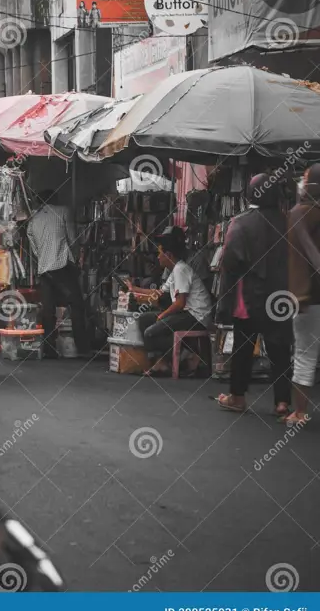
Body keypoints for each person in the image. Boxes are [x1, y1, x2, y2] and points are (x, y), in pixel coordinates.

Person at [215, 174, 292, 416]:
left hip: (248, 297)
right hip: (280, 297)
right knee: (280, 348)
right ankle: (282, 402)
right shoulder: (287, 222)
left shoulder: (241, 223)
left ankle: (237, 397)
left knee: (243, 347)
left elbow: (230, 261)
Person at [135, 232, 212, 375]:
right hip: (185, 313)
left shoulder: (180, 270)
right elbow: (159, 293)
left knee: (150, 333)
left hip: (196, 315)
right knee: (144, 319)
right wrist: (134, 290)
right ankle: (162, 362)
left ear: (168, 255)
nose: (158, 257)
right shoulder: (174, 270)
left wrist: (163, 315)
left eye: (160, 253)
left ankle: (187, 354)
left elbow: (180, 303)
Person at [27, 190, 90, 359]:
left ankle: (49, 348)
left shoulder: (33, 220)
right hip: (62, 267)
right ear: (56, 198)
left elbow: (34, 250)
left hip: (44, 270)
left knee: (48, 309)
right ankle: (82, 346)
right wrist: (78, 259)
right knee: (76, 305)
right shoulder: (63, 211)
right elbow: (72, 239)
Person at [285, 164, 320, 423]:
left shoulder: (299, 214)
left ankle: (300, 412)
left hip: (310, 296)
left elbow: (298, 261)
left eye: (305, 179)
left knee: (305, 354)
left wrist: (299, 295)